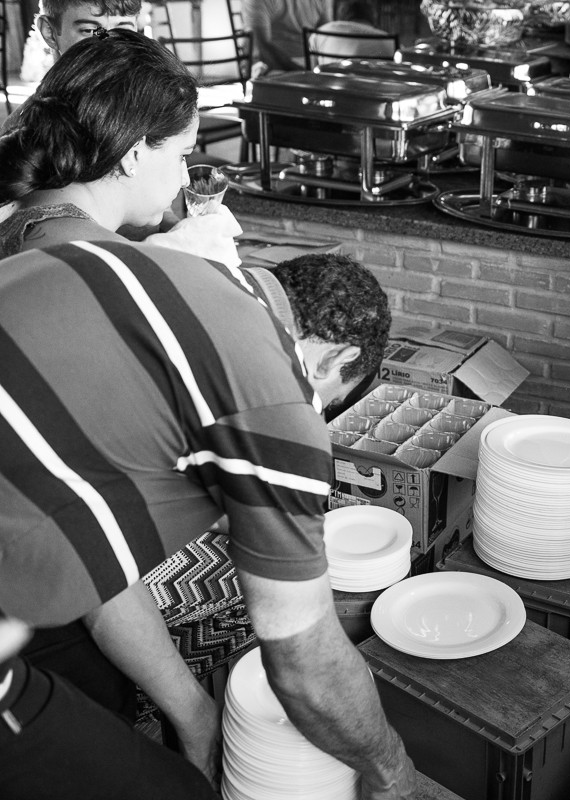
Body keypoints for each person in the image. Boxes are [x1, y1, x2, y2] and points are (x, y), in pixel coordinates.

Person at [0, 241, 415, 799]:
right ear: (333, 361)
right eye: (326, 402)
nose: (311, 415)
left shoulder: (161, 266)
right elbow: (302, 666)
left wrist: (195, 717)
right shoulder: (276, 398)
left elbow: (90, 552)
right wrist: (392, 771)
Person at [0, 29, 238, 264]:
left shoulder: (24, 206)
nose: (185, 179)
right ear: (132, 154)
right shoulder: (110, 261)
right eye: (182, 156)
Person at [245, 0, 333, 72]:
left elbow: (327, 35)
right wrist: (302, 72)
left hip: (312, 64)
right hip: (273, 68)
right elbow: (261, 47)